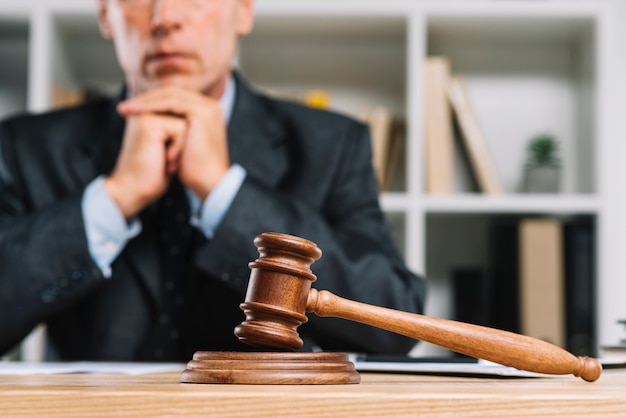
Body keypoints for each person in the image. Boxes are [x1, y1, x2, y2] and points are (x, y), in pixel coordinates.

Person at [0, 0, 426, 362]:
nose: (165, 16)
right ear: (105, 15)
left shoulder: (331, 144)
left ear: (243, 11)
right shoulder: (26, 147)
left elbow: (395, 322)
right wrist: (115, 197)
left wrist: (224, 190)